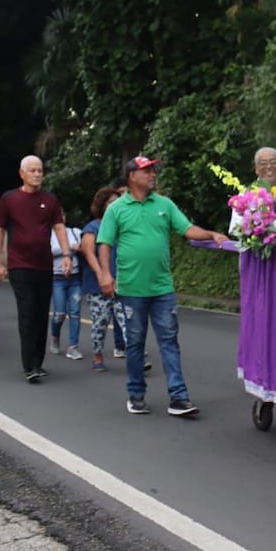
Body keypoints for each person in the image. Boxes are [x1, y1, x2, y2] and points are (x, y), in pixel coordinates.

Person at [97, 156, 228, 416]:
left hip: (162, 288)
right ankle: (136, 395)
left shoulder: (164, 204)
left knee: (169, 340)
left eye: (154, 170)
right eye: (147, 171)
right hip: (132, 289)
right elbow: (104, 243)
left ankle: (179, 397)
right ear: (132, 176)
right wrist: (105, 274)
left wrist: (212, 234)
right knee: (135, 343)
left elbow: (187, 229)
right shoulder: (117, 209)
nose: (153, 174)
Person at [0, 155, 72, 383]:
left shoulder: (50, 199)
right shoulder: (10, 199)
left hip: (44, 265)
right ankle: (29, 365)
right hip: (20, 265)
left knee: (40, 313)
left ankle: (38, 361)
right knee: (27, 313)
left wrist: (66, 254)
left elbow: (59, 227)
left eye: (40, 171)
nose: (37, 174)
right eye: (32, 170)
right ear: (22, 173)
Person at [81, 187, 128, 372]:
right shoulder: (92, 227)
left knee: (128, 322)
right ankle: (98, 354)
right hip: (98, 285)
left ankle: (136, 358)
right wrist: (101, 274)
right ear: (102, 205)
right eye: (110, 202)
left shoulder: (122, 226)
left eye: (118, 201)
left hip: (122, 283)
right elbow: (88, 253)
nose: (115, 205)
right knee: (100, 322)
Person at [50, 221, 84, 359]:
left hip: (75, 278)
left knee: (75, 312)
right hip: (57, 278)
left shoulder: (75, 232)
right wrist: (70, 248)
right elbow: (50, 250)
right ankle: (55, 336)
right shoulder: (49, 234)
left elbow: (83, 247)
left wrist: (77, 248)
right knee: (59, 314)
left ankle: (73, 347)